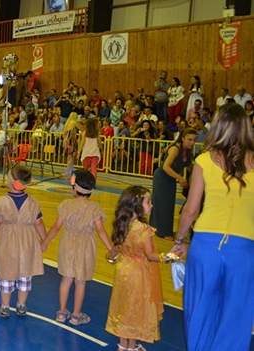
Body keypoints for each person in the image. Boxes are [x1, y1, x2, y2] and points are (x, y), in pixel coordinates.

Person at [172, 103, 254, 351]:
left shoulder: (204, 160)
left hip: (206, 245)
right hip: (244, 249)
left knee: (200, 308)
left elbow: (190, 210)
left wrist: (179, 240)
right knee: (237, 313)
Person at [41, 170, 116, 325]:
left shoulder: (66, 204)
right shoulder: (95, 207)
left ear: (74, 188)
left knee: (66, 279)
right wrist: (111, 249)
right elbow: (101, 230)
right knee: (80, 281)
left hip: (67, 243)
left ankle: (61, 313)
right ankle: (76, 315)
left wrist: (45, 242)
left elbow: (56, 227)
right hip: (86, 245)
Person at [0, 165, 47, 317]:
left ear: (10, 181)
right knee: (25, 274)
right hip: (28, 242)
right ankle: (21, 306)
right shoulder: (33, 203)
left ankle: (4, 307)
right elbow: (39, 223)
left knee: (6, 274)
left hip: (7, 242)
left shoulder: (1, 202)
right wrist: (45, 240)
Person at [106, 186, 165, 351]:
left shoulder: (123, 224)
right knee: (135, 308)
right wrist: (169, 257)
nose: (151, 205)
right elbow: (150, 255)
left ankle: (123, 344)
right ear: (136, 205)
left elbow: (115, 249)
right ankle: (131, 347)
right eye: (148, 202)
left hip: (123, 271)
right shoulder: (144, 230)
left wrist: (110, 258)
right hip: (139, 274)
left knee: (124, 305)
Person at [149, 128, 197, 239]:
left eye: (194, 140)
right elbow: (166, 167)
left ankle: (166, 230)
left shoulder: (188, 152)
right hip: (162, 177)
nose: (192, 142)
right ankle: (163, 232)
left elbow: (190, 167)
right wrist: (180, 178)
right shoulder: (175, 149)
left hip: (171, 179)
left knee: (169, 205)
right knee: (162, 204)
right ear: (183, 138)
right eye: (189, 139)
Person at [62, 112, 82, 178]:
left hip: (66, 142)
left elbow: (63, 134)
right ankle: (68, 172)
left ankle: (68, 172)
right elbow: (82, 129)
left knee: (69, 157)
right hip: (72, 142)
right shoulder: (74, 122)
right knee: (72, 158)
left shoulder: (67, 123)